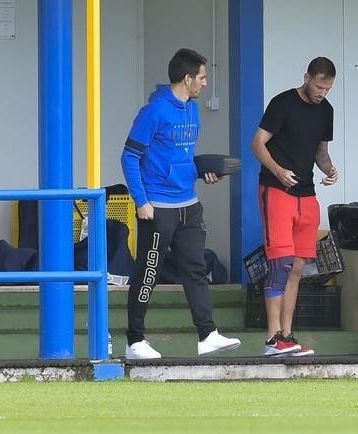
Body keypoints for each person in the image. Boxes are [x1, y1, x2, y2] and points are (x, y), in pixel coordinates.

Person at [121, 48, 241, 359]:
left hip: (189, 204)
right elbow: (130, 157)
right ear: (187, 78)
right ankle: (134, 340)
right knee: (148, 271)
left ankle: (207, 334)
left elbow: (180, 157)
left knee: (196, 269)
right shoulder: (154, 112)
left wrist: (203, 173)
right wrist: (141, 201)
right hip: (157, 208)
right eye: (201, 78)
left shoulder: (192, 109)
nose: (204, 83)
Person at [251, 57, 338, 356]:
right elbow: (257, 143)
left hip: (307, 193)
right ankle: (272, 338)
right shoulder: (283, 103)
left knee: (299, 265)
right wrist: (277, 170)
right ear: (306, 77)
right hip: (276, 189)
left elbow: (320, 151)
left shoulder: (326, 110)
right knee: (280, 262)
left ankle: (287, 335)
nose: (321, 93)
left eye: (327, 89)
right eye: (318, 86)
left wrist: (330, 169)